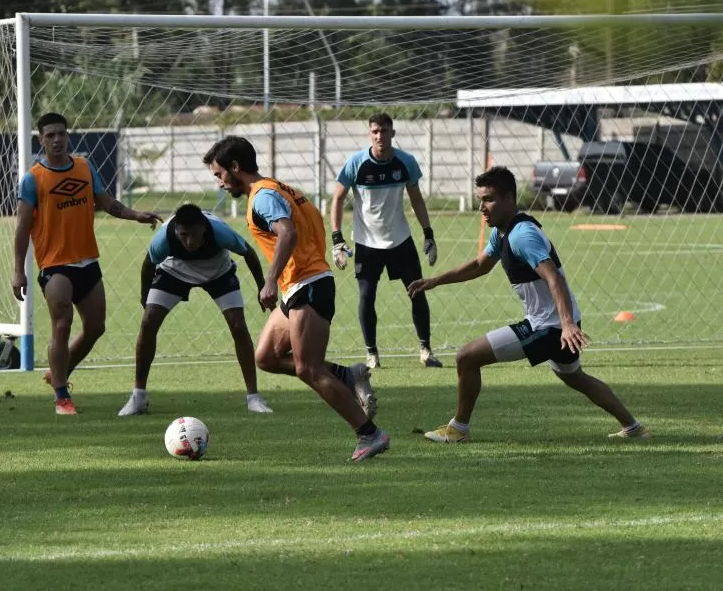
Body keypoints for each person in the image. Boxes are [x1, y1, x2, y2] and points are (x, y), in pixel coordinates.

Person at [408, 166, 650, 443]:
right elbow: (479, 265)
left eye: (489, 199)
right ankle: (633, 427)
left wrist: (567, 325)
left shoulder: (522, 235)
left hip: (551, 326)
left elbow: (553, 277)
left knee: (466, 356)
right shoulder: (502, 232)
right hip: (555, 323)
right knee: (576, 378)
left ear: (510, 198)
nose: (482, 208)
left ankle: (458, 429)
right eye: (480, 201)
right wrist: (436, 280)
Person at [203, 136, 390, 462]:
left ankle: (369, 433)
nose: (220, 183)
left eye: (220, 175)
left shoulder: (262, 197)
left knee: (309, 369)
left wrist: (271, 280)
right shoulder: (278, 187)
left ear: (235, 168)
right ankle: (348, 375)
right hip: (299, 284)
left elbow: (287, 233)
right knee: (266, 357)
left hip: (308, 284)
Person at [12, 112, 162, 416]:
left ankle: (59, 373)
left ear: (68, 136)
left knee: (95, 327)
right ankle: (62, 397)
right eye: (50, 135)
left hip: (87, 263)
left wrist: (136, 215)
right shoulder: (33, 179)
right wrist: (18, 270)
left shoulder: (83, 167)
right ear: (40, 139)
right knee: (62, 324)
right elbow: (22, 227)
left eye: (61, 134)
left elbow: (107, 203)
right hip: (55, 266)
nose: (56, 139)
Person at [117, 203, 273, 416]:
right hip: (176, 270)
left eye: (194, 235)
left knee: (238, 326)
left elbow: (249, 253)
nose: (189, 241)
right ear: (176, 231)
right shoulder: (164, 238)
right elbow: (148, 265)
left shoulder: (220, 232)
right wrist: (145, 297)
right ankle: (138, 397)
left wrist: (261, 288)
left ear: (204, 228)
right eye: (183, 235)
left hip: (218, 271)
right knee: (148, 322)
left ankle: (253, 398)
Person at [330, 112, 440, 370]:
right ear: (370, 134)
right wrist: (337, 239)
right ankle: (372, 354)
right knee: (366, 296)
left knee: (417, 292)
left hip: (401, 240)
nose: (380, 136)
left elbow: (416, 199)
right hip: (367, 244)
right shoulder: (356, 163)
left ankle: (425, 350)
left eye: (384, 130)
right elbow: (337, 199)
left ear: (393, 132)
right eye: (375, 131)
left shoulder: (406, 162)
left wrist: (429, 234)